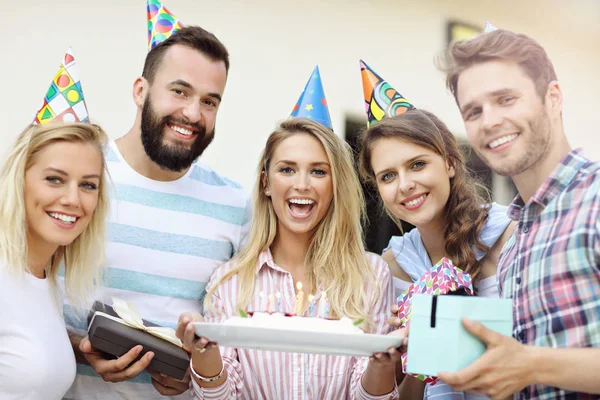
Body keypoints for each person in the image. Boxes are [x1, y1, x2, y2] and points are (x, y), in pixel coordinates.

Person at [64, 24, 251, 400]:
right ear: (140, 90)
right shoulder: (77, 180)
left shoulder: (237, 205)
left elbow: (239, 332)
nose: (192, 113)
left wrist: (199, 372)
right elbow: (24, 302)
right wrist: (81, 349)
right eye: (179, 91)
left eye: (210, 101)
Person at [176, 116, 401, 400]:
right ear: (266, 183)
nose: (302, 184)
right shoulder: (230, 283)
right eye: (287, 169)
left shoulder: (371, 276)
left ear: (336, 185)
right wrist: (203, 352)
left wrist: (384, 362)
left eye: (319, 172)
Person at [436, 28, 600, 399]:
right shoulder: (513, 245)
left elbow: (526, 363)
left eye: (506, 99)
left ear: (553, 97)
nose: (489, 121)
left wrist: (531, 364)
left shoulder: (595, 199)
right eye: (473, 111)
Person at [358, 61, 514, 400]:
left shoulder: (511, 239)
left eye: (417, 164)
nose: (405, 185)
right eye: (387, 176)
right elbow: (406, 394)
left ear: (450, 163)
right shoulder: (392, 268)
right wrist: (416, 348)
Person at [0, 120, 109, 399]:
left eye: (87, 184)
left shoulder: (48, 284)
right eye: (54, 179)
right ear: (19, 179)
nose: (73, 199)